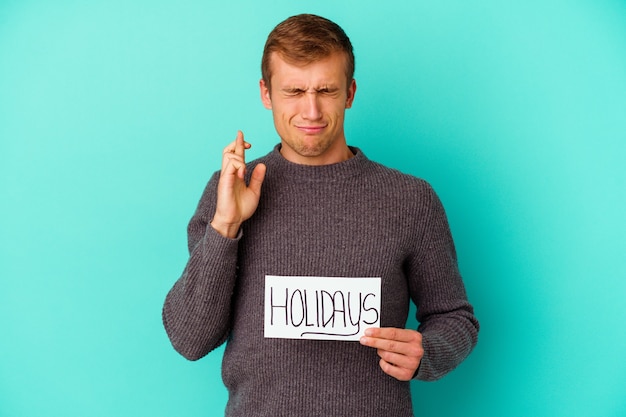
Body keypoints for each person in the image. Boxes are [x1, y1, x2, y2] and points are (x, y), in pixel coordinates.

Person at [163, 13, 479, 417]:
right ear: (266, 93)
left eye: (325, 90)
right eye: (294, 90)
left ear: (349, 93)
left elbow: (454, 317)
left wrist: (428, 351)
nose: (310, 111)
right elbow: (190, 339)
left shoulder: (410, 199)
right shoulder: (229, 190)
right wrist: (226, 226)